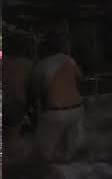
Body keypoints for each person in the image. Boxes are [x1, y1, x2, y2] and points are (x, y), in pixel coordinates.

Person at [32, 31, 84, 162]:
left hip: (54, 113)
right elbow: (80, 78)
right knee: (69, 154)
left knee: (45, 154)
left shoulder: (41, 65)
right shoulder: (69, 60)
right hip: (76, 109)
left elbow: (35, 92)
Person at [3, 33, 34, 162]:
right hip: (18, 103)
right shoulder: (27, 64)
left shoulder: (3, 63)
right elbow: (32, 86)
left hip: (4, 102)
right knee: (12, 138)